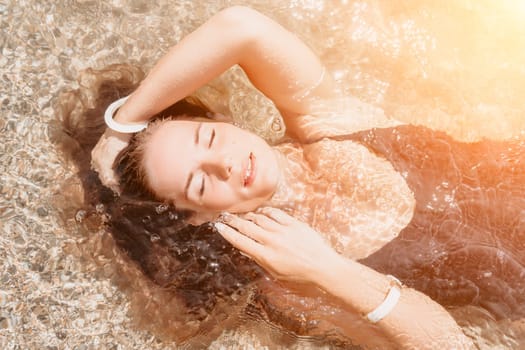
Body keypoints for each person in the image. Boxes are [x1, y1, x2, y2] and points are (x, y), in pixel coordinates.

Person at [84, 6, 481, 349]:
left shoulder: (326, 122)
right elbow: (452, 343)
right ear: (197, 217)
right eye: (200, 183)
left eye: (210, 138)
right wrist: (328, 269)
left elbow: (241, 26)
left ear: (224, 121)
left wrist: (123, 122)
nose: (224, 163)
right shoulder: (287, 284)